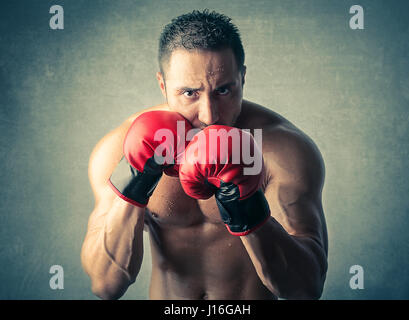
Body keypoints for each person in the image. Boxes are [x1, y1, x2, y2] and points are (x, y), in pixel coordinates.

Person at [81, 9, 328, 300]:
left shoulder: (282, 150)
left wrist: (248, 210)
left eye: (223, 90)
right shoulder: (120, 147)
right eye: (190, 93)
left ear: (242, 78)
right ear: (163, 85)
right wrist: (136, 180)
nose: (209, 115)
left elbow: (306, 288)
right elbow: (106, 284)